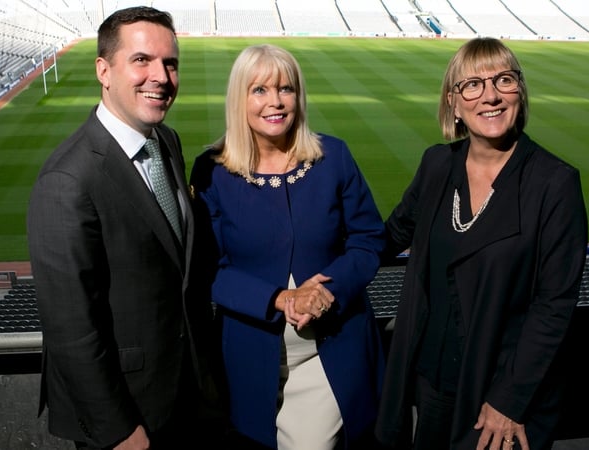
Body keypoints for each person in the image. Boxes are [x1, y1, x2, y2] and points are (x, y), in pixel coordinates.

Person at [374, 37, 588, 450]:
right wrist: (320, 269)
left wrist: (509, 400)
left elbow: (554, 304)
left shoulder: (554, 183)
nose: (490, 96)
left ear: (519, 92)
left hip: (498, 392)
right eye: (472, 85)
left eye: (504, 80)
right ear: (453, 103)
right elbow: (391, 235)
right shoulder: (437, 163)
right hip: (431, 379)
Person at [27, 7, 222, 449]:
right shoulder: (68, 179)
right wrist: (116, 430)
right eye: (141, 60)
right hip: (128, 415)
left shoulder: (165, 140)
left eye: (170, 63)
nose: (161, 77)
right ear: (104, 70)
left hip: (187, 395)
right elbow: (70, 327)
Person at [189, 44, 386, 449]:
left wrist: (328, 289)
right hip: (249, 357)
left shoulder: (334, 156)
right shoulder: (211, 170)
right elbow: (209, 268)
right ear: (239, 98)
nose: (275, 102)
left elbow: (368, 239)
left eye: (286, 89)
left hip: (329, 351)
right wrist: (279, 299)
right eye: (259, 90)